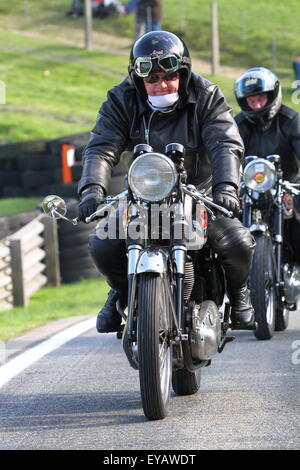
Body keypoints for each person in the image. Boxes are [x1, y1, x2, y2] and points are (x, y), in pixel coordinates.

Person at [78, 30, 255, 333]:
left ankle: (239, 294)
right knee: (102, 243)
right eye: (152, 79)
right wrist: (92, 189)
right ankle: (122, 292)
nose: (161, 85)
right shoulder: (121, 99)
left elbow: (225, 143)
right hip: (142, 195)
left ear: (183, 73)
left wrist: (227, 187)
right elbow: (102, 147)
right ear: (138, 79)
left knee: (237, 241)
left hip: (199, 191)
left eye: (168, 76)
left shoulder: (207, 95)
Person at [234, 66, 300, 264]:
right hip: (250, 190)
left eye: (260, 99)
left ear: (272, 95)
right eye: (251, 101)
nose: (256, 105)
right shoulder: (238, 125)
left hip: (289, 187)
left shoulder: (291, 120)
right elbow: (229, 153)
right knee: (227, 227)